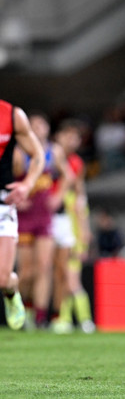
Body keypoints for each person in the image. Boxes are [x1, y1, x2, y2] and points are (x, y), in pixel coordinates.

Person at [14, 112, 71, 329]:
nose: (38, 129)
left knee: (45, 266)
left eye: (41, 125)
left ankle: (39, 316)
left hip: (44, 215)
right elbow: (5, 178)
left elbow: (68, 176)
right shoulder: (19, 152)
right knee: (26, 271)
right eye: (34, 125)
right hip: (24, 217)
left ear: (47, 129)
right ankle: (23, 306)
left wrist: (58, 196)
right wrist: (16, 200)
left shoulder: (53, 151)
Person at [0, 100, 44, 330]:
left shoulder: (12, 115)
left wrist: (27, 185)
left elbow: (37, 154)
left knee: (2, 278)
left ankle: (11, 291)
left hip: (3, 202)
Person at [50, 120, 95, 334]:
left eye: (75, 137)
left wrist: (84, 233)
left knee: (71, 277)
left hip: (72, 226)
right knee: (61, 274)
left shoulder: (76, 164)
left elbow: (80, 199)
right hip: (56, 222)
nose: (72, 140)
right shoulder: (48, 158)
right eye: (68, 135)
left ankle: (81, 320)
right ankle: (65, 319)